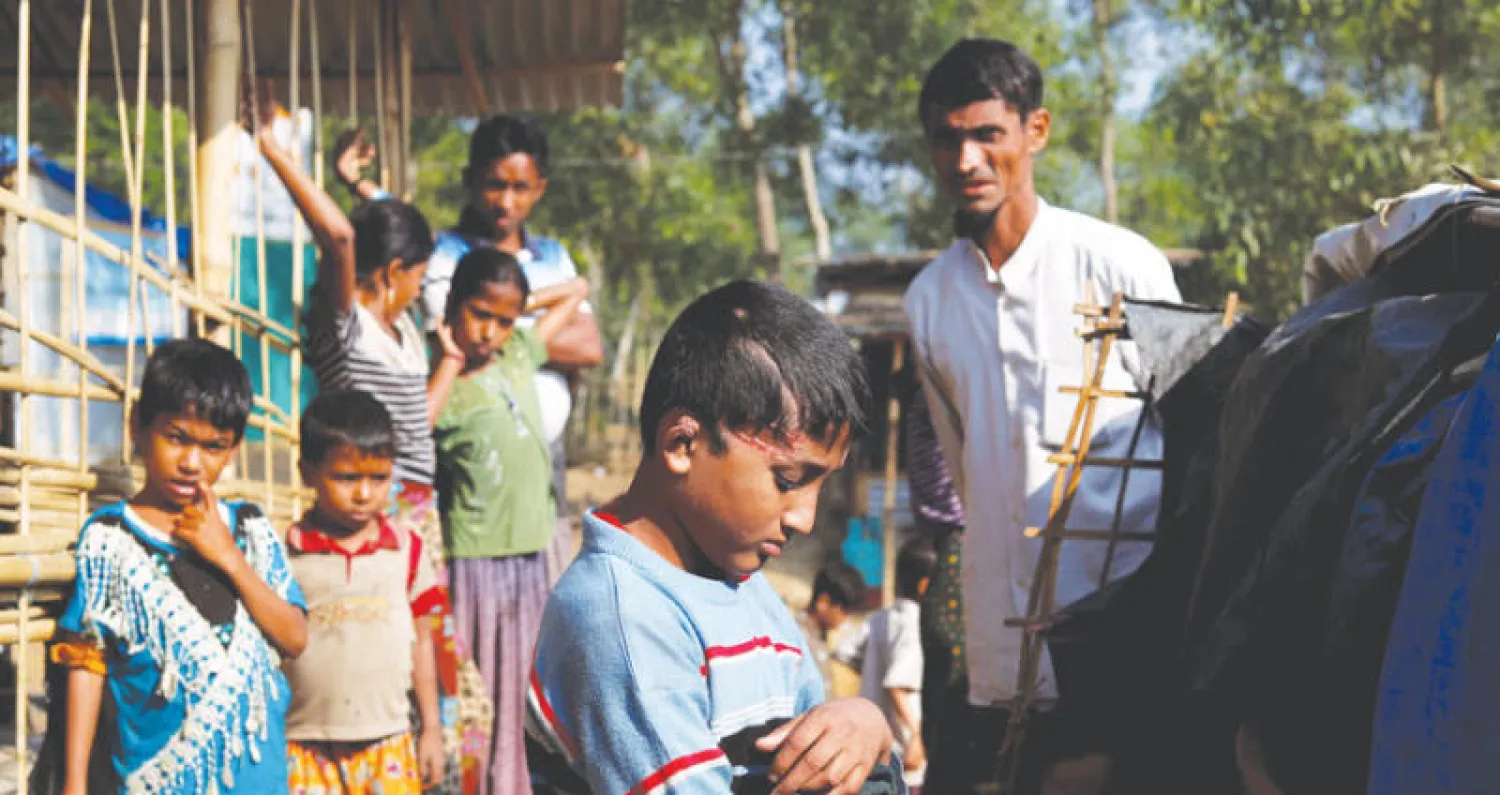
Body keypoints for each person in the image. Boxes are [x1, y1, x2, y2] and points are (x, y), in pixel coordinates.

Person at [901, 39, 1183, 793]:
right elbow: (965, 470)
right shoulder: (928, 301)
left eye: (987, 134)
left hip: (1123, 619)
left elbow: (1192, 428)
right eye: (947, 137)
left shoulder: (1119, 264)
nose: (966, 159)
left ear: (1037, 131)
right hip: (1002, 626)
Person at [526, 280, 903, 795]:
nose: (805, 519)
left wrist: (864, 722)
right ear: (683, 443)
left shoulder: (737, 581)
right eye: (788, 481)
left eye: (821, 485)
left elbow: (811, 728)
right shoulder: (621, 618)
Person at [251, 92, 490, 795]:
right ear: (394, 272)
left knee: (440, 667)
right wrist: (276, 152)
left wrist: (362, 184)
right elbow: (347, 240)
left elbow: (416, 420)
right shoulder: (345, 324)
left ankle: (433, 761)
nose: (425, 285)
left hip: (417, 506)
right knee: (421, 665)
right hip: (379, 510)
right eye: (417, 273)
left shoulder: (404, 333)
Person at [41, 339, 309, 794]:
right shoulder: (110, 541)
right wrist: (74, 783)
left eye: (213, 447)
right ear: (138, 428)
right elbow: (88, 661)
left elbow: (295, 638)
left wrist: (228, 556)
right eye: (176, 437)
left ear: (234, 449)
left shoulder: (250, 529)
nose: (191, 463)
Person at [415, 114, 604, 576]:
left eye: (520, 187)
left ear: (540, 187)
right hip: (475, 452)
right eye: (494, 185)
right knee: (475, 580)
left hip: (543, 452)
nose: (506, 201)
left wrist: (509, 316)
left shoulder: (554, 256)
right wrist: (539, 324)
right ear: (470, 181)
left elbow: (590, 346)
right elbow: (465, 338)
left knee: (542, 576)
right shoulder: (446, 253)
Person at [433, 248, 588, 795]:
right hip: (475, 563)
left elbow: (577, 288)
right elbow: (415, 431)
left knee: (518, 691)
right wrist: (450, 356)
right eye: (480, 314)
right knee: (476, 693)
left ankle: (511, 785)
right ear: (451, 306)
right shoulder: (444, 379)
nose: (491, 332)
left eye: (505, 320)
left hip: (530, 558)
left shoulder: (519, 352)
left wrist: (518, 307)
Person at [282, 390, 445, 794]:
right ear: (307, 472)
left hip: (387, 739)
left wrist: (432, 730)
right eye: (346, 477)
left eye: (378, 478)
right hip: (304, 742)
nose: (363, 493)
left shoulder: (407, 549)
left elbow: (423, 641)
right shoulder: (285, 553)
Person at [904, 386, 973, 793]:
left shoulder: (932, 398)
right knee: (954, 689)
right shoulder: (936, 398)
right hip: (956, 543)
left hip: (954, 543)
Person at [837, 539, 939, 793]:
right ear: (925, 585)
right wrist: (916, 737)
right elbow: (897, 685)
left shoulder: (883, 616)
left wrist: (873, 673)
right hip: (902, 745)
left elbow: (845, 651)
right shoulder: (913, 623)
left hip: (874, 739)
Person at [795, 559, 868, 694]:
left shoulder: (819, 636)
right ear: (824, 602)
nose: (846, 618)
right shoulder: (796, 636)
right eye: (844, 611)